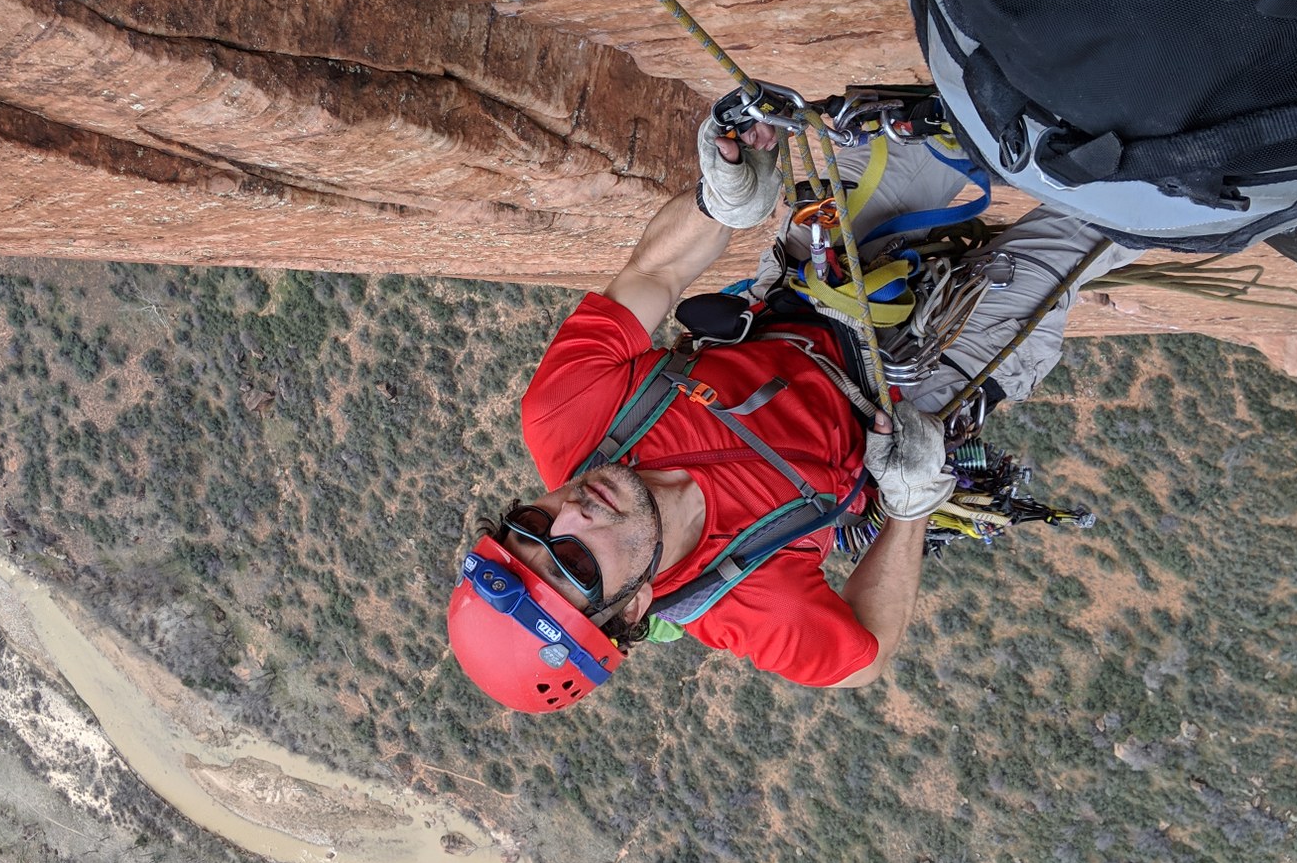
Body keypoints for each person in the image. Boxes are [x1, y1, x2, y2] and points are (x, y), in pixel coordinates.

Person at [445, 114, 1137, 712]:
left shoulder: (564, 417)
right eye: (572, 562)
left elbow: (652, 275)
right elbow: (866, 657)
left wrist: (721, 201)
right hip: (912, 400)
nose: (568, 515)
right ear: (632, 607)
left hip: (811, 295)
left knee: (957, 118)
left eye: (529, 525)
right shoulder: (746, 604)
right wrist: (909, 510)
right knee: (1118, 201)